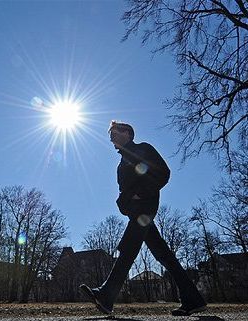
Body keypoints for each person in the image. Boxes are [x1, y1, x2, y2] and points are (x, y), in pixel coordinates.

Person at [79, 121, 207, 316]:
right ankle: (193, 299)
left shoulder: (143, 149)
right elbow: (123, 192)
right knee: (163, 254)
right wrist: (124, 205)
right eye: (110, 134)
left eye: (115, 132)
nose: (111, 137)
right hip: (134, 211)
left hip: (146, 207)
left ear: (128, 134)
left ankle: (106, 294)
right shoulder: (121, 165)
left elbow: (163, 173)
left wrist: (141, 193)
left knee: (128, 248)